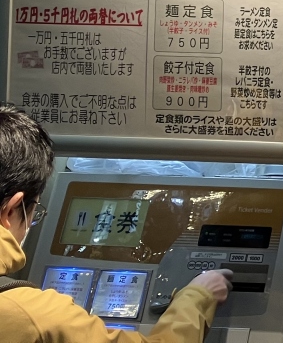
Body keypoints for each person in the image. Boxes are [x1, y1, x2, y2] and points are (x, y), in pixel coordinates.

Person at [0, 102, 234, 343]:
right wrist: (199, 296)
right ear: (11, 209)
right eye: (34, 210)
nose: (30, 223)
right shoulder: (34, 316)